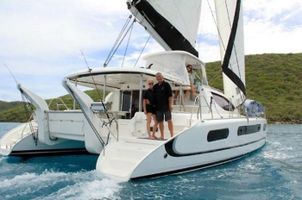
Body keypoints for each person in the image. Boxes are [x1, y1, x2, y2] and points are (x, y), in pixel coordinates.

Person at [153, 72, 174, 140]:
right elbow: (153, 97)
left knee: (169, 120)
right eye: (157, 77)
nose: (158, 78)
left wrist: (170, 105)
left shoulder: (166, 85)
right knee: (160, 122)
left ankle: (172, 136)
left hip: (166, 107)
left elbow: (170, 96)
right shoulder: (155, 86)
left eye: (160, 77)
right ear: (156, 78)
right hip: (158, 108)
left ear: (162, 77)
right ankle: (162, 136)